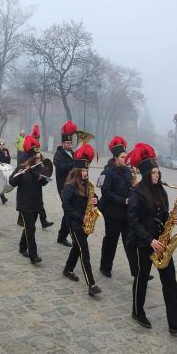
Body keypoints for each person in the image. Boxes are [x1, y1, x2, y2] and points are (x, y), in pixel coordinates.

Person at [127, 143, 177, 336]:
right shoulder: (137, 193)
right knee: (141, 278)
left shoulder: (161, 191)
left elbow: (163, 213)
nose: (157, 176)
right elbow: (133, 220)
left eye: (158, 173)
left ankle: (176, 323)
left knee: (170, 281)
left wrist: (170, 218)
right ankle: (137, 311)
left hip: (162, 242)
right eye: (154, 173)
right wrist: (150, 240)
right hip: (144, 243)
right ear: (147, 174)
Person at [62, 144, 101, 296]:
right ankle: (91, 284)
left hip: (84, 224)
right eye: (83, 171)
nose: (86, 173)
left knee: (77, 248)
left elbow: (94, 198)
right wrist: (81, 216)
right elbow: (66, 208)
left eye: (87, 170)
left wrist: (95, 201)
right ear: (77, 171)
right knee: (84, 252)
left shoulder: (88, 185)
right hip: (74, 223)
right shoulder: (70, 187)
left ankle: (67, 269)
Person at [99, 136, 138, 279]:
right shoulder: (107, 172)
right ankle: (105, 267)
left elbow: (130, 187)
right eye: (122, 157)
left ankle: (136, 271)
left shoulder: (128, 170)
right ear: (115, 158)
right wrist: (123, 200)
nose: (125, 159)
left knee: (130, 242)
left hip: (126, 212)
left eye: (126, 157)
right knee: (111, 240)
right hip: (112, 212)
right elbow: (106, 192)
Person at [9, 136, 48, 264]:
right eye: (36, 156)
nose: (39, 158)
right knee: (31, 229)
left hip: (36, 203)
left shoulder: (40, 168)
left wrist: (34, 172)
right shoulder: (22, 167)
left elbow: (44, 182)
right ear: (31, 157)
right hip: (24, 203)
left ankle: (22, 246)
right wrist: (20, 173)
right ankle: (33, 255)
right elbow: (11, 181)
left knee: (29, 227)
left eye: (39, 156)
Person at [54, 121, 78, 247]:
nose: (69, 145)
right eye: (67, 143)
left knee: (68, 212)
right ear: (62, 143)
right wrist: (72, 164)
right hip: (63, 187)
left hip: (72, 185)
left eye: (70, 143)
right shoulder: (58, 154)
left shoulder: (73, 153)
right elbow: (60, 167)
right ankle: (62, 236)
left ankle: (62, 236)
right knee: (68, 211)